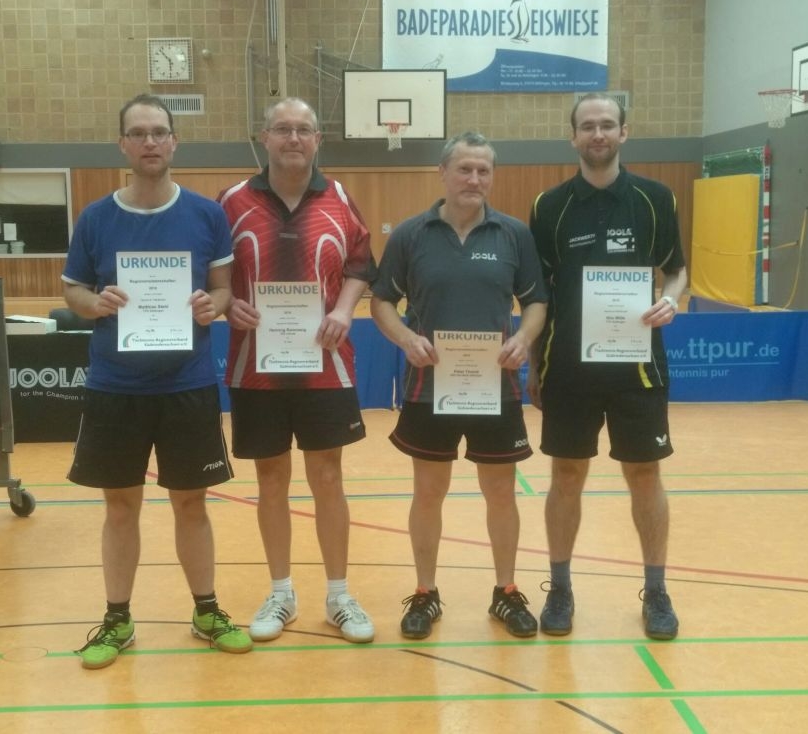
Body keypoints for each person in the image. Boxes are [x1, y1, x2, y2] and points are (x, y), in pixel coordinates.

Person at [64, 94, 252, 669]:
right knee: (120, 507)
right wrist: (94, 303)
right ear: (122, 144)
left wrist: (213, 306)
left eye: (159, 132)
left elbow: (223, 289)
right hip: (115, 387)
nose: (150, 142)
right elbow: (73, 291)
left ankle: (206, 611)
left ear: (174, 142)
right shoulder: (95, 218)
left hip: (187, 385)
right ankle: (117, 619)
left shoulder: (206, 215)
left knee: (191, 504)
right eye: (139, 133)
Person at [370, 131, 548, 639]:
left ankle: (506, 592)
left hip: (496, 386)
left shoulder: (514, 234)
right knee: (429, 492)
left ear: (492, 176)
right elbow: (381, 301)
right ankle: (425, 592)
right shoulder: (411, 234)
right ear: (443, 173)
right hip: (430, 387)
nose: (474, 179)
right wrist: (406, 338)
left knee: (501, 493)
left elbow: (536, 301)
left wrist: (524, 339)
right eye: (465, 169)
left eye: (483, 171)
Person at [528, 93, 688, 641]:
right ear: (572, 136)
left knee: (645, 475)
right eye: (587, 126)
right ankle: (560, 588)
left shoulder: (655, 199)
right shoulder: (549, 206)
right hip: (568, 370)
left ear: (624, 132)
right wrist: (534, 367)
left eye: (607, 125)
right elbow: (538, 294)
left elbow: (676, 269)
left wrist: (671, 299)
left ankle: (657, 591)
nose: (597, 134)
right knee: (566, 475)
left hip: (637, 369)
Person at [217, 98, 377, 644]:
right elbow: (213, 274)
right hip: (254, 367)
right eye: (282, 129)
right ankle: (281, 593)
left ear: (317, 139)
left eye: (303, 129)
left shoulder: (339, 198)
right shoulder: (232, 201)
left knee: (328, 477)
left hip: (324, 366)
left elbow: (361, 264)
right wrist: (227, 304)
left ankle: (339, 596)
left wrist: (344, 310)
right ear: (264, 137)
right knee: (270, 479)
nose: (293, 138)